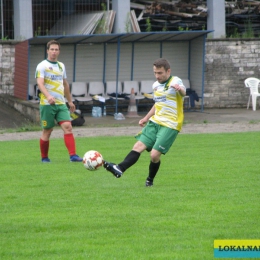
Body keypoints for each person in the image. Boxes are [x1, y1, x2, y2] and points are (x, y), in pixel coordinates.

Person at [103, 58, 186, 186]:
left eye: (160, 73)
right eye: (155, 73)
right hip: (155, 122)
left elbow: (183, 92)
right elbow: (157, 104)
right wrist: (146, 118)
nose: (157, 76)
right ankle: (119, 168)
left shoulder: (175, 81)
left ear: (168, 71)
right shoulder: (155, 85)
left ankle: (150, 180)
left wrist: (179, 88)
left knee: (154, 155)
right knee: (137, 147)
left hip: (170, 124)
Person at [35, 40, 82, 163]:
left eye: (56, 49)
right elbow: (40, 83)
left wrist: (70, 101)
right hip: (47, 104)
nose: (54, 52)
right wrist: (48, 96)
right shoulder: (42, 65)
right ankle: (44, 158)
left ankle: (73, 156)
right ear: (47, 51)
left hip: (61, 103)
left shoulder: (61, 65)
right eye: (52, 49)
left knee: (68, 127)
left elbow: (65, 84)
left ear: (59, 51)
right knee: (48, 131)